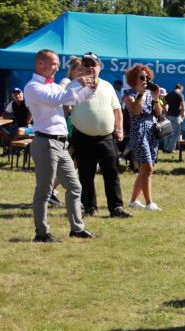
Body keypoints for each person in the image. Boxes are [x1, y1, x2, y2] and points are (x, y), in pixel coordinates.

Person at [22, 49, 99, 242]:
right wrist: (78, 84)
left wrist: (90, 88)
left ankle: (77, 229)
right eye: (54, 64)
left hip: (61, 143)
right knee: (44, 191)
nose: (57, 68)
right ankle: (42, 233)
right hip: (46, 141)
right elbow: (56, 100)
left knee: (75, 187)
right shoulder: (32, 87)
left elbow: (74, 100)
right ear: (40, 63)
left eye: (57, 64)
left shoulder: (54, 86)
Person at [67, 53, 132, 219]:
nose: (90, 67)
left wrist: (119, 129)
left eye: (93, 64)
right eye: (86, 64)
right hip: (82, 136)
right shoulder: (74, 85)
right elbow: (65, 107)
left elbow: (117, 109)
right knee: (86, 175)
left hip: (106, 137)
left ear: (99, 67)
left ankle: (116, 208)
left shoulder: (107, 86)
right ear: (82, 67)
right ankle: (89, 207)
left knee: (112, 174)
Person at [123, 64, 163, 210]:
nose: (145, 80)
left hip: (151, 130)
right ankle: (149, 203)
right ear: (134, 78)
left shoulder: (150, 92)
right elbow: (136, 111)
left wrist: (156, 97)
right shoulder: (129, 93)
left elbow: (158, 113)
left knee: (144, 169)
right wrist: (140, 93)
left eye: (147, 77)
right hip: (139, 130)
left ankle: (134, 201)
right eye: (142, 77)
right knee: (148, 167)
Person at [161, 83, 185, 153]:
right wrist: (182, 113)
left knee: (169, 132)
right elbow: (183, 106)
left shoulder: (169, 94)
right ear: (181, 89)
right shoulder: (180, 95)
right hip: (176, 116)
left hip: (169, 116)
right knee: (177, 133)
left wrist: (166, 113)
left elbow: (163, 105)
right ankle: (170, 148)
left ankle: (165, 147)